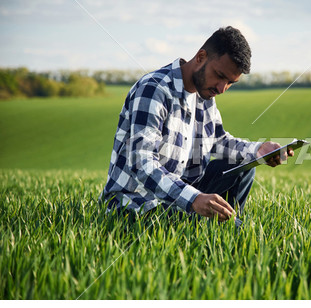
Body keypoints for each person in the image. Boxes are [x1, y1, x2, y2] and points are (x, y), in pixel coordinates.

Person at [100, 26, 293, 226]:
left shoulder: (205, 94)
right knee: (234, 232)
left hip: (181, 194)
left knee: (243, 166)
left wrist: (258, 150)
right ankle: (221, 227)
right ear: (201, 57)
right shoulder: (154, 89)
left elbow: (217, 141)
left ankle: (225, 220)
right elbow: (142, 163)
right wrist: (193, 199)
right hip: (138, 203)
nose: (222, 89)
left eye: (230, 83)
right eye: (219, 75)